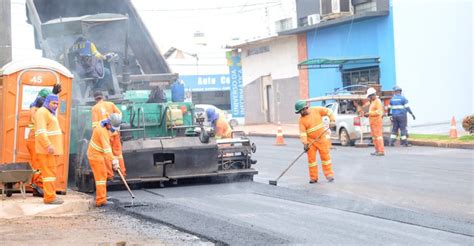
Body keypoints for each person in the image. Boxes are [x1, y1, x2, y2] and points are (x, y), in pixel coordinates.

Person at [26, 85, 62, 197]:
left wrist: (54, 94)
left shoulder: (39, 108)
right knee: (38, 167)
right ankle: (38, 187)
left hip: (36, 140)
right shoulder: (36, 110)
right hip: (35, 140)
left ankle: (39, 188)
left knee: (40, 167)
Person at [295, 100, 336, 183]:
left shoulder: (316, 110)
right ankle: (313, 177)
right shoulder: (301, 121)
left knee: (326, 158)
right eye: (299, 112)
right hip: (311, 142)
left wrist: (332, 121)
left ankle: (329, 175)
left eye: (302, 110)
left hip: (321, 139)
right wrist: (305, 143)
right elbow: (303, 134)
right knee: (311, 161)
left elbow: (329, 111)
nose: (301, 113)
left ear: (305, 107)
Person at [34, 94, 63, 204]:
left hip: (51, 151)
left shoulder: (48, 112)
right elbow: (41, 132)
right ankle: (49, 198)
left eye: (57, 104)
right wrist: (48, 145)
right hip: (47, 151)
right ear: (47, 102)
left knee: (50, 174)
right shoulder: (42, 112)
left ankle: (51, 196)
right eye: (53, 103)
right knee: (49, 175)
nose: (55, 106)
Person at [87, 114, 121, 207]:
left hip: (98, 154)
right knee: (101, 178)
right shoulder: (102, 132)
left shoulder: (104, 124)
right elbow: (107, 150)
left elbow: (111, 134)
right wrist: (114, 161)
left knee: (102, 176)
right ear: (108, 123)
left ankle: (102, 197)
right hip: (95, 155)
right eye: (112, 127)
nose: (113, 129)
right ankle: (101, 200)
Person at [91, 91, 126, 179]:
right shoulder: (111, 104)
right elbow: (120, 114)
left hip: (105, 135)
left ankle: (110, 175)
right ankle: (122, 172)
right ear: (102, 97)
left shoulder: (95, 108)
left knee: (106, 153)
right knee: (118, 153)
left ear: (95, 98)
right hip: (115, 133)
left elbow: (95, 125)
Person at [365, 87, 385, 156]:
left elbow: (379, 112)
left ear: (373, 95)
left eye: (370, 96)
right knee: (374, 137)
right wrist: (368, 114)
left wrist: (369, 113)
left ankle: (381, 151)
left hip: (377, 122)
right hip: (372, 122)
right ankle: (377, 150)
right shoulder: (373, 102)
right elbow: (372, 111)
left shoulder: (377, 101)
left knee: (378, 137)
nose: (369, 98)